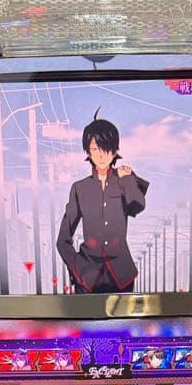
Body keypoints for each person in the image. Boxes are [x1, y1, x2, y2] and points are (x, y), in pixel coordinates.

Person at [57, 113, 149, 293]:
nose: (100, 155)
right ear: (88, 152)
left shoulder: (125, 180)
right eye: (94, 149)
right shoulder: (79, 188)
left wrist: (127, 180)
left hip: (121, 275)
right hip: (87, 278)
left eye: (105, 148)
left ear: (114, 151)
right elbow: (63, 239)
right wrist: (77, 268)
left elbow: (137, 206)